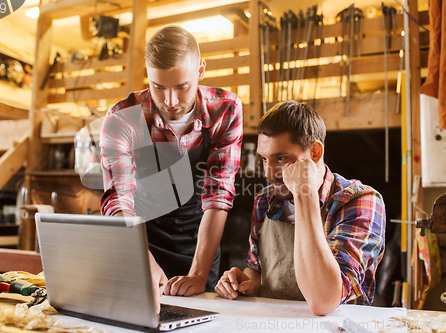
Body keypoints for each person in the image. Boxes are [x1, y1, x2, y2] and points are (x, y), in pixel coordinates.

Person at [100, 25, 243, 310]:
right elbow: (118, 200)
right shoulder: (122, 118)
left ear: (201, 70)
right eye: (159, 87)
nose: (170, 101)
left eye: (182, 87)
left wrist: (200, 273)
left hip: (198, 240)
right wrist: (142, 261)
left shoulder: (226, 109)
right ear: (148, 74)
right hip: (140, 238)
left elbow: (218, 195)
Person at [215, 100, 385, 316]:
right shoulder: (266, 199)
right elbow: (258, 270)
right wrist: (245, 281)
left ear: (314, 152)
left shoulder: (360, 201)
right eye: (264, 159)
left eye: (281, 158)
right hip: (275, 325)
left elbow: (324, 300)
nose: (269, 172)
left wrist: (305, 192)